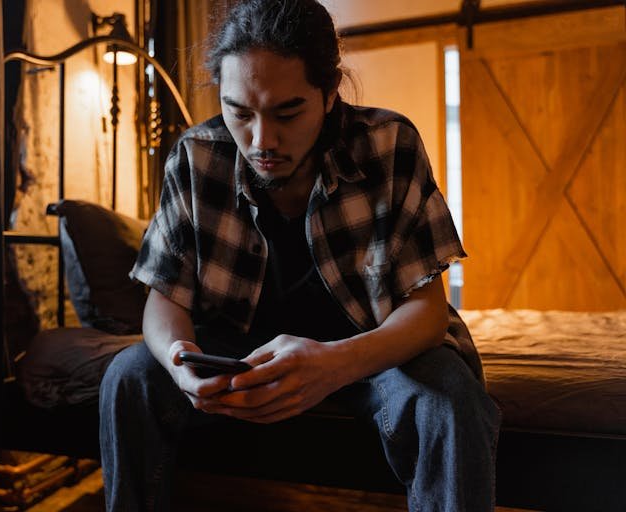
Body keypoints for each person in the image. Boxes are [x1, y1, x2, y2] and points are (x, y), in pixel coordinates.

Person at [99, 0, 501, 510]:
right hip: (238, 353)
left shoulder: (387, 144)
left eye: (288, 111)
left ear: (330, 93)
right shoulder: (196, 157)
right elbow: (164, 299)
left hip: (364, 351)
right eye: (239, 112)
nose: (261, 140)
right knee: (129, 374)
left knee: (449, 393)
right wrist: (179, 361)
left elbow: (425, 315)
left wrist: (334, 364)